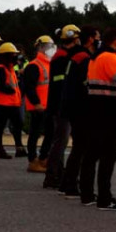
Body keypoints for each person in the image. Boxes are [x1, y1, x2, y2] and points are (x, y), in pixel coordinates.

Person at [79, 27, 116, 209]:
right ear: (115, 41)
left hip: (95, 110)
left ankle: (87, 194)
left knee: (91, 155)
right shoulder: (110, 58)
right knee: (108, 157)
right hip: (110, 113)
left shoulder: (95, 58)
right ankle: (104, 198)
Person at [58, 26, 101, 197]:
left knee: (78, 147)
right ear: (91, 39)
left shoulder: (76, 56)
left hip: (72, 106)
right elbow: (86, 85)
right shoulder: (84, 58)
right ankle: (70, 185)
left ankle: (66, 183)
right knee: (81, 148)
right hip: (80, 108)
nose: (99, 40)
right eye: (97, 36)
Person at [43, 25, 82, 189]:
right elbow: (61, 85)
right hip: (60, 107)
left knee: (60, 141)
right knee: (60, 141)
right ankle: (52, 175)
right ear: (74, 39)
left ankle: (58, 173)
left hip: (59, 106)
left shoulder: (61, 55)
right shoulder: (62, 57)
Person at [23, 35, 56, 172]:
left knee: (50, 133)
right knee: (35, 133)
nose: (51, 49)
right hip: (38, 106)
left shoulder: (50, 65)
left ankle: (43, 158)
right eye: (48, 46)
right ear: (40, 48)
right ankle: (32, 160)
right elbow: (29, 87)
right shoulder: (34, 65)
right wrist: (36, 103)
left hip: (48, 106)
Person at [0, 42, 25, 159]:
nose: (15, 57)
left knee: (18, 124)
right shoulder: (1, 68)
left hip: (12, 102)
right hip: (4, 103)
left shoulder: (9, 68)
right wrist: (8, 90)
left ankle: (19, 148)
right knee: (0, 126)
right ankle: (0, 149)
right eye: (13, 55)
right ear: (6, 55)